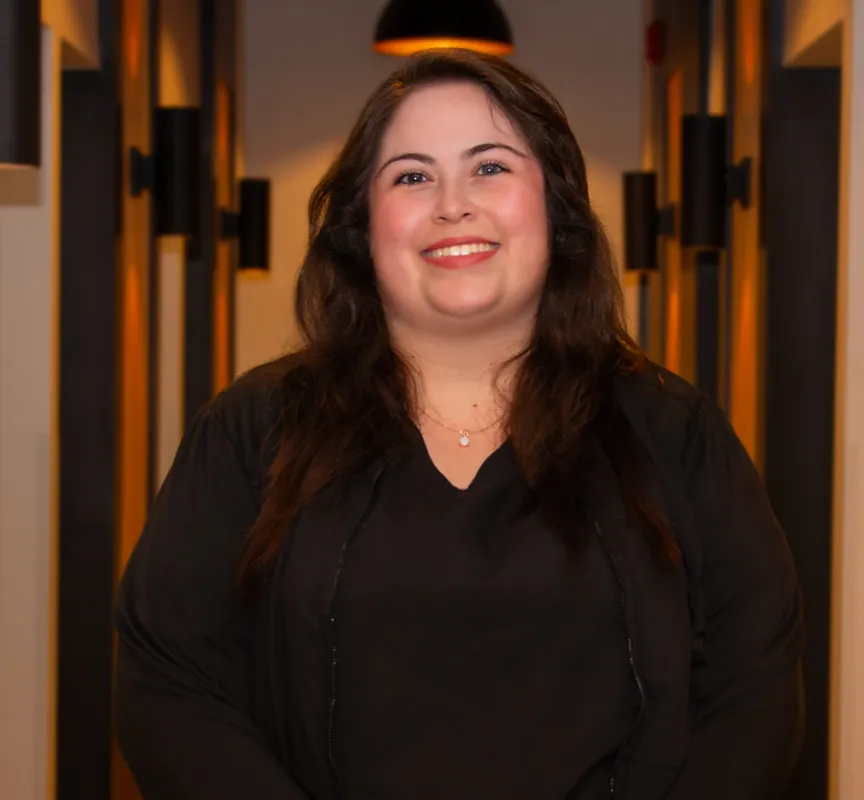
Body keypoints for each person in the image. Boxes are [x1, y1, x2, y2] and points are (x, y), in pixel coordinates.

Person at [113, 48, 804, 799]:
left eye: (490, 168)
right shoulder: (252, 429)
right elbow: (169, 683)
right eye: (411, 176)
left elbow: (752, 693)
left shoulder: (675, 431)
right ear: (361, 227)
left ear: (556, 206)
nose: (453, 204)